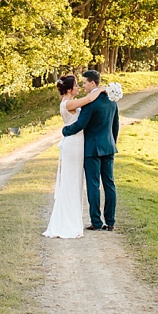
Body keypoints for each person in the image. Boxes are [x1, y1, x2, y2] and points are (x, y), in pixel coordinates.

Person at [43, 74, 108, 238]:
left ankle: (71, 219)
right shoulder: (69, 103)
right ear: (70, 89)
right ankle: (68, 222)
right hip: (73, 144)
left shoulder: (68, 102)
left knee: (75, 181)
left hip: (77, 144)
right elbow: (90, 98)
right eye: (77, 85)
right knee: (71, 182)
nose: (79, 87)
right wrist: (101, 89)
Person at [61, 69, 119, 231]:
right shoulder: (111, 100)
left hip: (92, 149)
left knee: (93, 185)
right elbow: (115, 125)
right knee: (109, 184)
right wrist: (112, 143)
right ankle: (111, 221)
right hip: (108, 147)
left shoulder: (89, 103)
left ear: (93, 83)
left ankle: (96, 222)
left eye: (85, 82)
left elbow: (81, 124)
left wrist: (65, 131)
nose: (83, 86)